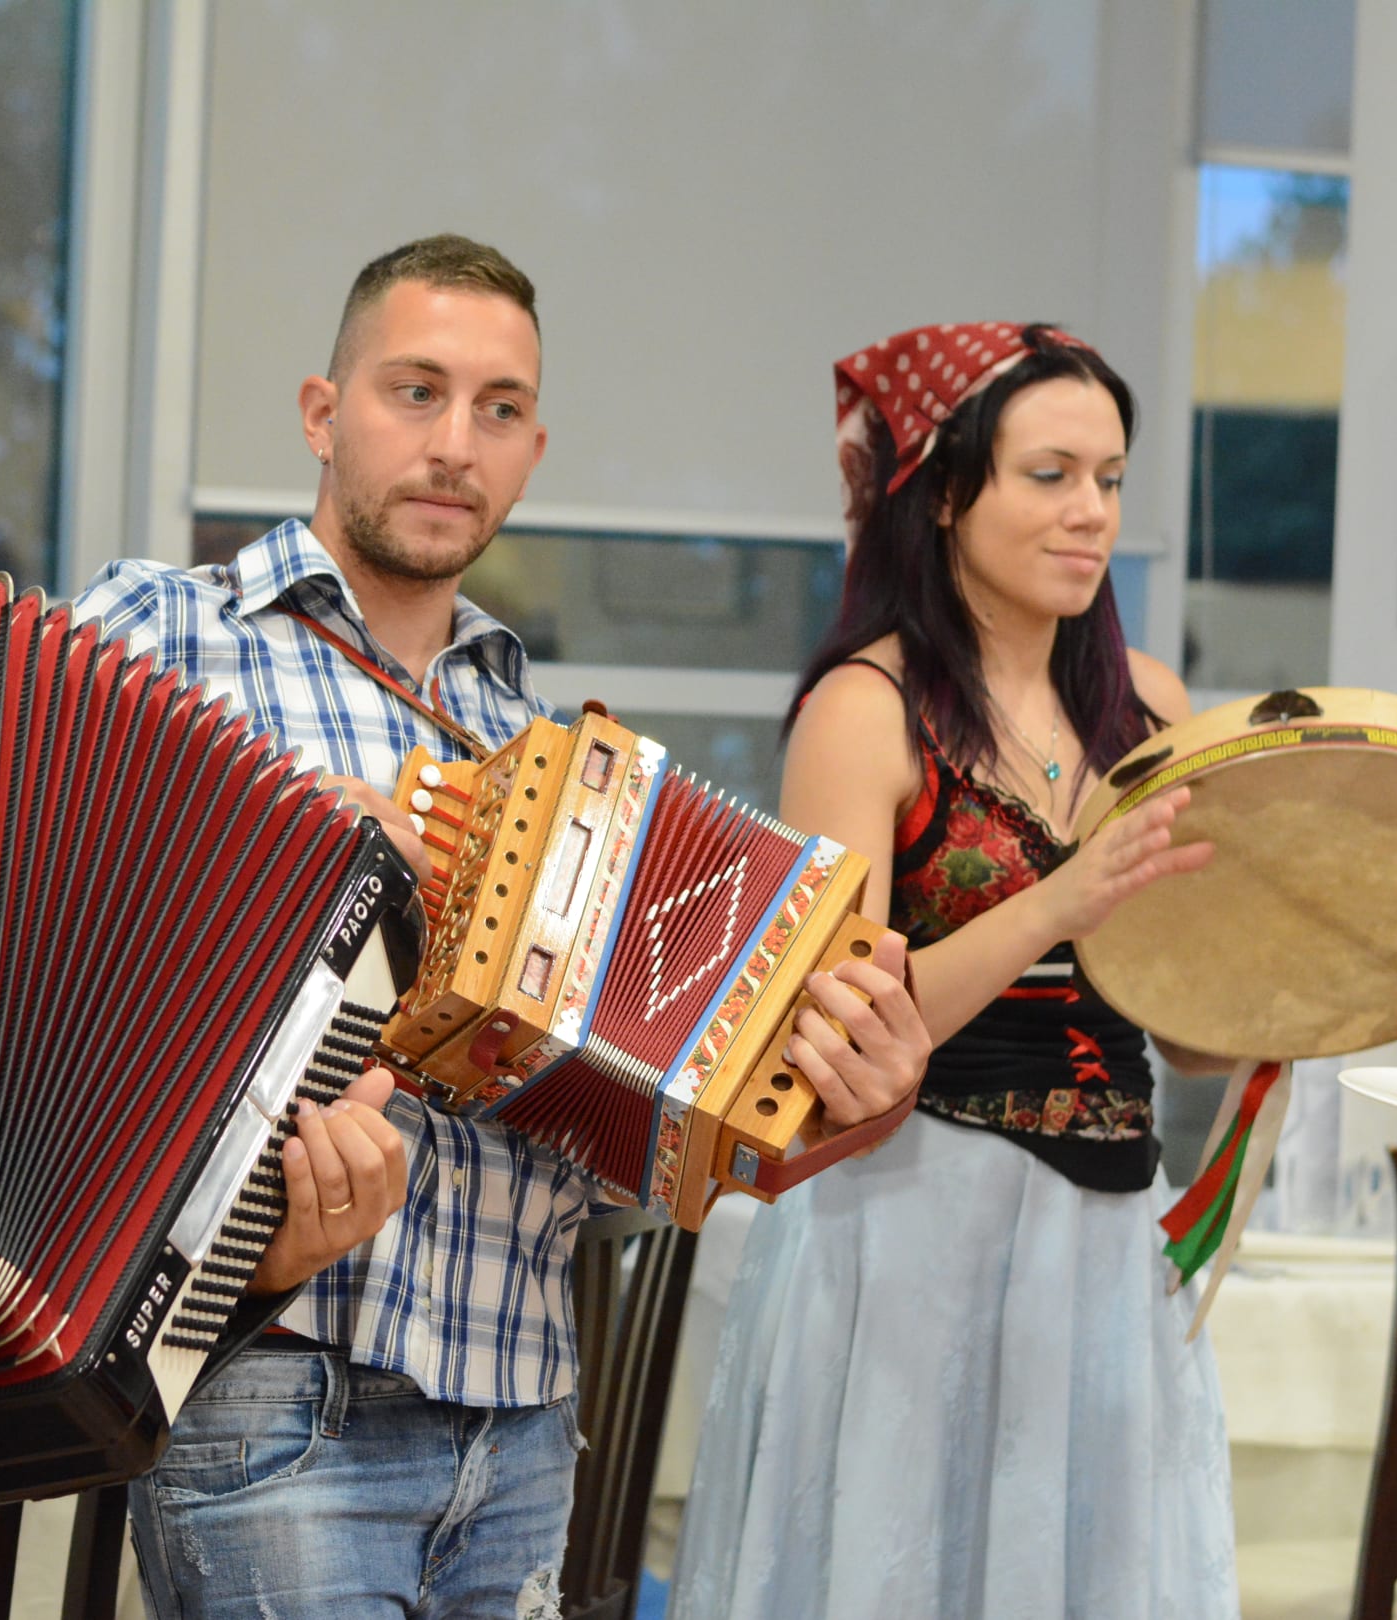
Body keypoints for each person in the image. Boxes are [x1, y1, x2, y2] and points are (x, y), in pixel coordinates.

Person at [72, 236, 934, 1620]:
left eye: (499, 410)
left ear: (533, 454)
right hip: (274, 1391)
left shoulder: (559, 764)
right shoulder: (164, 631)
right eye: (414, 391)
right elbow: (33, 943)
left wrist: (839, 1108)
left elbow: (630, 1160)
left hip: (526, 1417)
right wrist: (284, 856)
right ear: (321, 413)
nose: (453, 444)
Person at [668, 323, 1397, 1620]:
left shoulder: (1148, 706)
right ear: (946, 494)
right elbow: (827, 1033)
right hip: (906, 1228)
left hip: (1107, 1241)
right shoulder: (864, 711)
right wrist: (1057, 904)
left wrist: (1379, 996)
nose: (1092, 514)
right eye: (1050, 475)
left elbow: (1192, 1031)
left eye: (1109, 479)